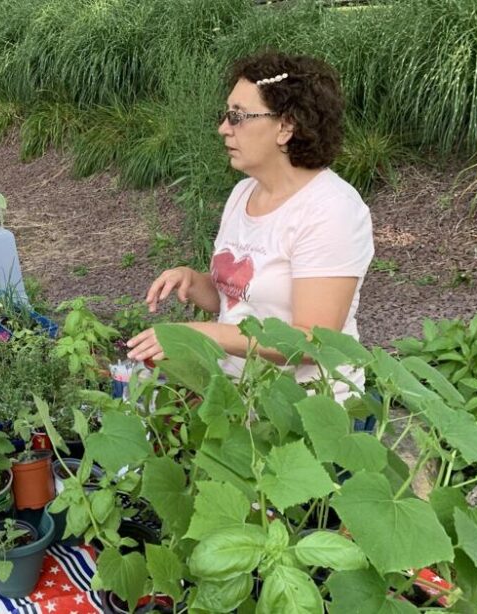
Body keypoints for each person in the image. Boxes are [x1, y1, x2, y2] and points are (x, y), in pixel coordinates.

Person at [126, 52, 374, 401]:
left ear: (286, 126)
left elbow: (311, 341)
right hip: (242, 405)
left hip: (307, 411)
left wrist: (198, 333)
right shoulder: (244, 193)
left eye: (238, 116)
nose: (223, 128)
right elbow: (241, 300)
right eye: (227, 115)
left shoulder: (331, 211)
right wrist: (194, 282)